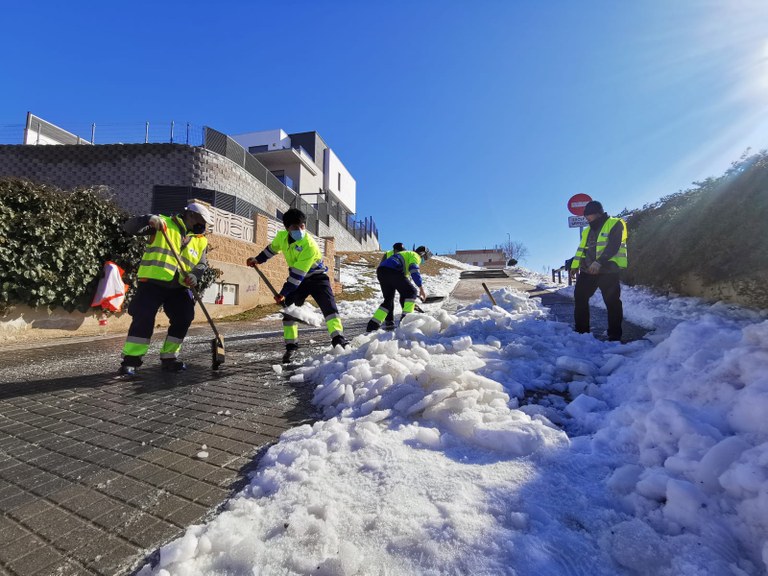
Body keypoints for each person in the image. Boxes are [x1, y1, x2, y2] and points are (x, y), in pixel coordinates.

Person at [118, 202, 214, 376]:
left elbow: (201, 264)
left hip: (179, 287)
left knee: (184, 317)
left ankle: (169, 358)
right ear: (190, 216)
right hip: (153, 282)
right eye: (201, 221)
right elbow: (129, 227)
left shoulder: (201, 241)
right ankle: (131, 360)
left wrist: (195, 275)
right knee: (144, 318)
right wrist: (148, 219)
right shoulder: (162, 223)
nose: (203, 226)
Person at [247, 208, 348, 363]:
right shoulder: (282, 237)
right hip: (298, 279)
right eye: (295, 227)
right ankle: (291, 347)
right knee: (289, 310)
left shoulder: (309, 245)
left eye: (302, 226)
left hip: (317, 278)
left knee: (329, 308)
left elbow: (297, 276)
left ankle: (338, 339)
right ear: (287, 229)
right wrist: (257, 259)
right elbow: (271, 250)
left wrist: (283, 292)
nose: (300, 230)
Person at [569, 201, 628, 341]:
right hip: (587, 271)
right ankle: (581, 332)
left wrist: (599, 262)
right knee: (580, 297)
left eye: (589, 215)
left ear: (598, 213)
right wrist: (574, 264)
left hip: (608, 270)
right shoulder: (587, 231)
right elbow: (584, 250)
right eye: (585, 216)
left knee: (612, 302)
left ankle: (614, 335)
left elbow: (614, 246)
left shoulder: (615, 223)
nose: (587, 218)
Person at [367, 245, 429, 332]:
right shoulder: (415, 255)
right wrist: (421, 289)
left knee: (388, 301)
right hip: (392, 270)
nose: (424, 260)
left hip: (382, 271)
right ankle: (405, 324)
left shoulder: (405, 254)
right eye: (425, 258)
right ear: (422, 254)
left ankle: (372, 326)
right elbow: (414, 270)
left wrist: (410, 301)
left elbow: (403, 288)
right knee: (412, 291)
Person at [380, 242, 406, 327]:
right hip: (388, 278)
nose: (400, 252)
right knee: (389, 299)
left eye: (401, 251)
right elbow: (382, 266)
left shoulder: (404, 254)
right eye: (398, 251)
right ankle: (389, 320)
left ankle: (406, 318)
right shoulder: (388, 254)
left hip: (400, 277)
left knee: (404, 297)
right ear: (394, 250)